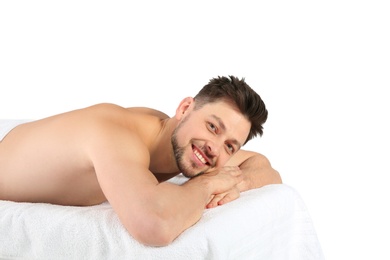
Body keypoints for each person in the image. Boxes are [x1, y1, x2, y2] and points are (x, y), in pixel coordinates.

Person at [0, 75, 282, 246]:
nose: (214, 149)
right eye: (212, 127)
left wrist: (238, 181)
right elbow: (153, 225)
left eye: (230, 146)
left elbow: (264, 167)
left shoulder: (185, 141)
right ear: (185, 109)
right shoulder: (117, 136)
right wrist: (208, 184)